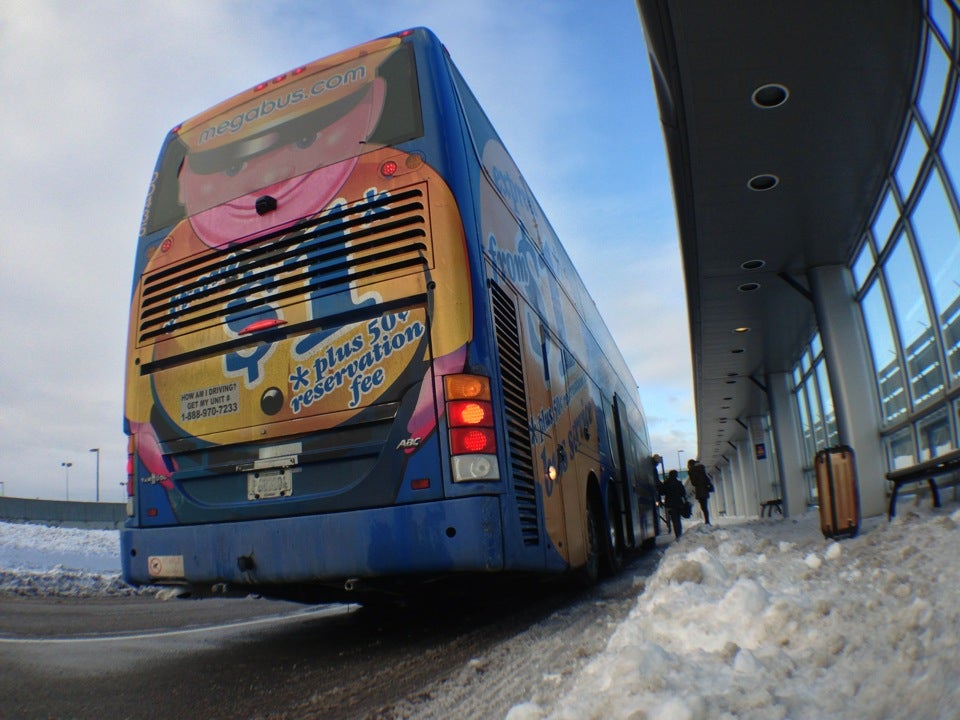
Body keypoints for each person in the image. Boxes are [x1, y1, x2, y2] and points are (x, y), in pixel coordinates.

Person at [662, 469, 687, 539]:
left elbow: (662, 491)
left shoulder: (666, 483)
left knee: (674, 520)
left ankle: (677, 534)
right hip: (678, 504)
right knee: (678, 520)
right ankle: (679, 533)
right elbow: (683, 493)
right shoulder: (678, 483)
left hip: (670, 504)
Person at [688, 458, 714, 525]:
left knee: (703, 507)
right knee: (705, 506)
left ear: (690, 465)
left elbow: (694, 483)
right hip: (705, 490)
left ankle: (707, 521)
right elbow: (706, 479)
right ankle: (707, 521)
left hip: (700, 491)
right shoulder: (701, 470)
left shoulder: (692, 471)